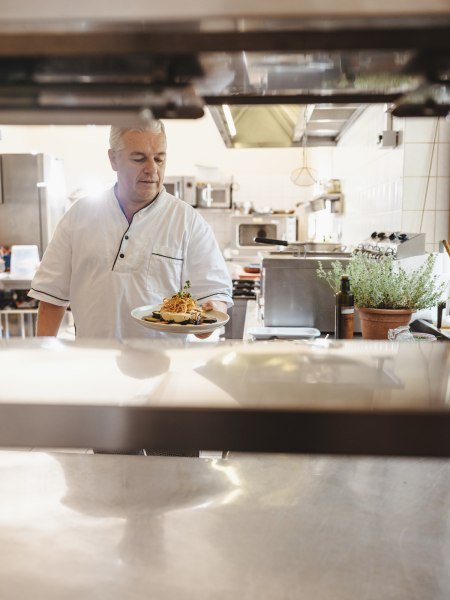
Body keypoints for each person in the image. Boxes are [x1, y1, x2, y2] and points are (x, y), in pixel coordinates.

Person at [28, 120, 233, 340]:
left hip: (164, 368)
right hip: (92, 364)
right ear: (113, 158)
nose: (152, 169)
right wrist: (43, 357)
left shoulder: (188, 222)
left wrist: (213, 310)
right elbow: (51, 298)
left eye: (159, 158)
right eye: (139, 158)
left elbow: (214, 295)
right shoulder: (79, 216)